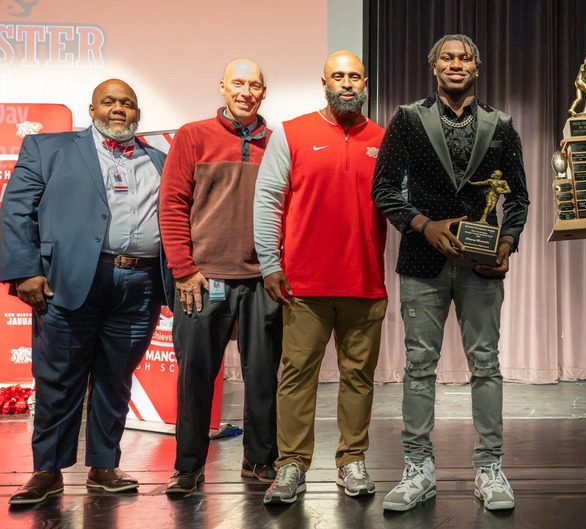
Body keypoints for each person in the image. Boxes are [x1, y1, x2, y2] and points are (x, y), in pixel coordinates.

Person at [371, 33, 529, 512]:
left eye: (465, 58)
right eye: (447, 57)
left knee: (486, 365)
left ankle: (490, 468)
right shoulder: (406, 119)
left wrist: (505, 243)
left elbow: (518, 198)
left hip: (482, 266)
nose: (456, 64)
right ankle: (418, 469)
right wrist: (423, 224)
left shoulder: (501, 125)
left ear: (476, 68)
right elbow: (383, 190)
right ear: (433, 65)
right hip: (422, 260)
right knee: (419, 368)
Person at [0, 79, 172, 504]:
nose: (119, 109)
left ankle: (104, 467)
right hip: (67, 282)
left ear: (138, 113)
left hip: (139, 285)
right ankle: (47, 472)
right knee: (58, 379)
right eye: (109, 102)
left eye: (128, 103)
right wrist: (25, 271)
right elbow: (17, 211)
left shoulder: (161, 160)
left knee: (116, 379)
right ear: (92, 108)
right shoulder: (49, 148)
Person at [253, 50, 388, 505]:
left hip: (365, 284)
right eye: (338, 76)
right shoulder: (292, 133)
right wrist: (271, 264)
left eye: (354, 76)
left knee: (359, 379)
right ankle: (291, 465)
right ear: (324, 81)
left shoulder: (384, 139)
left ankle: (352, 461)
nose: (346, 83)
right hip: (303, 288)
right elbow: (268, 200)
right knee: (297, 378)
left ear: (365, 81)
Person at [158, 59, 281, 494]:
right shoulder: (193, 136)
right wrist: (184, 271)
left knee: (263, 376)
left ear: (264, 92)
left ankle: (260, 461)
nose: (246, 91)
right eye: (238, 83)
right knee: (195, 376)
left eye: (254, 85)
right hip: (203, 279)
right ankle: (188, 468)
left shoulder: (278, 141)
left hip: (261, 279)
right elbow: (171, 205)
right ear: (223, 87)